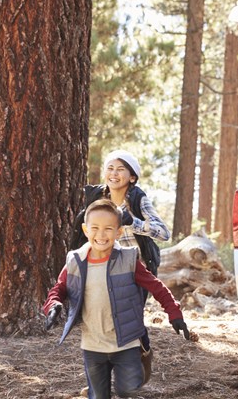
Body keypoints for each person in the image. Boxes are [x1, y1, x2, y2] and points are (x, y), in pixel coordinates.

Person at [44, 199, 190, 399]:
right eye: (95, 228)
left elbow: (157, 287)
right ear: (86, 230)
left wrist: (174, 313)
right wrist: (53, 304)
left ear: (119, 232)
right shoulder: (75, 260)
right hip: (92, 343)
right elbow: (59, 288)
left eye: (108, 229)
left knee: (127, 389)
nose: (101, 235)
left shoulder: (128, 260)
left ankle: (143, 360)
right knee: (98, 395)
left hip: (126, 342)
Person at [67, 149, 170, 388]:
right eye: (110, 168)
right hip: (101, 267)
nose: (114, 174)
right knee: (99, 320)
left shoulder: (137, 199)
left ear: (132, 177)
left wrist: (131, 221)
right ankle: (100, 379)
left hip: (134, 270)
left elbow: (164, 232)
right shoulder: (95, 196)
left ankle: (143, 354)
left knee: (129, 320)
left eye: (121, 169)